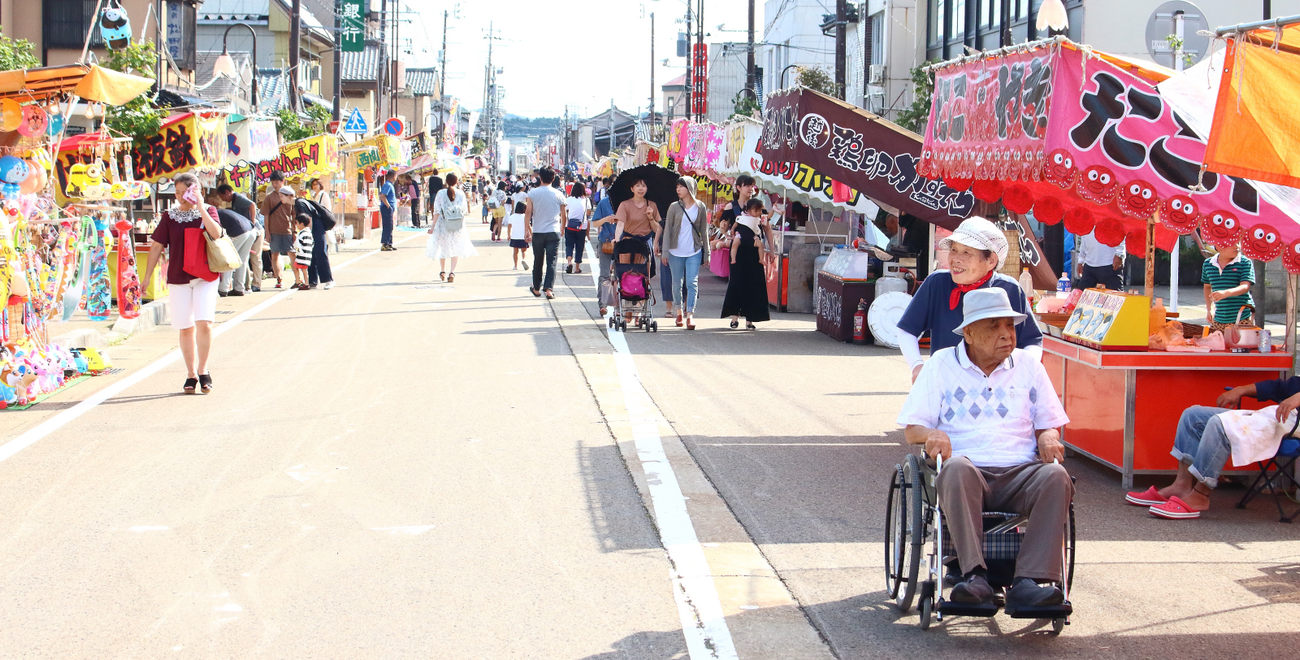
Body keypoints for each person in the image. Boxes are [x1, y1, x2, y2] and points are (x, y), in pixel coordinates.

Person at [898, 287, 1073, 612]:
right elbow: (912, 430)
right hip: (967, 470)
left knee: (1057, 477)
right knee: (954, 469)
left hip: (1021, 472)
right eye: (994, 327)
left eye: (1010, 325)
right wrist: (932, 433)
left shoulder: (1029, 366)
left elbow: (1048, 421)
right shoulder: (940, 365)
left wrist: (1048, 435)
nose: (1007, 335)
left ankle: (1029, 583)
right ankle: (974, 577)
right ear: (969, 332)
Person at [1126, 376, 1300, 519]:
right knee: (1193, 415)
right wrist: (1241, 389)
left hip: (1292, 426)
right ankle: (1181, 485)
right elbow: (1281, 387)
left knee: (1220, 424)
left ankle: (1201, 495)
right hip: (1275, 416)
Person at [896, 216, 1042, 383]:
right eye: (954, 250)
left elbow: (1032, 340)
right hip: (945, 383)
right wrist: (917, 366)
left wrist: (1025, 371)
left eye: (966, 252)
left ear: (991, 261)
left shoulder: (1009, 289)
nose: (956, 259)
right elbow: (907, 329)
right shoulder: (937, 283)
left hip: (997, 386)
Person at [141, 172, 224, 394]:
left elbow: (216, 234)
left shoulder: (209, 211)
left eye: (182, 192)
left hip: (204, 275)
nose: (178, 197)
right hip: (178, 276)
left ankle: (204, 369)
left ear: (194, 190)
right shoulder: (170, 216)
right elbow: (157, 246)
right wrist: (147, 276)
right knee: (185, 327)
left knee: (204, 322)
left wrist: (201, 207)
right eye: (176, 192)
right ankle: (190, 374)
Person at [659, 176, 709, 330]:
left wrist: (707, 253)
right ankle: (678, 311)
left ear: (690, 188)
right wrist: (665, 252)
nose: (678, 189)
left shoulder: (700, 206)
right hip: (675, 250)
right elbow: (667, 230)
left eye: (682, 186)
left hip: (694, 250)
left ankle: (690, 315)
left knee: (692, 282)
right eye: (677, 187)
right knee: (677, 283)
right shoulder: (674, 207)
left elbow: (704, 231)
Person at [720, 198, 773, 330]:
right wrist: (727, 232)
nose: (750, 189)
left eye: (752, 186)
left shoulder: (761, 211)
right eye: (747, 186)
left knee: (754, 285)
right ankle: (734, 316)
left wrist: (772, 249)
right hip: (739, 253)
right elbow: (724, 225)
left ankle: (751, 318)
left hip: (754, 252)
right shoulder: (731, 207)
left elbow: (767, 230)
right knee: (736, 283)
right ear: (739, 187)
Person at [525, 168, 567, 299]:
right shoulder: (558, 194)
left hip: (538, 231)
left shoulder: (533, 193)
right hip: (553, 231)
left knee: (538, 260)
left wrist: (527, 229)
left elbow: (528, 212)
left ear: (540, 178)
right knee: (552, 261)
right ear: (553, 178)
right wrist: (562, 228)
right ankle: (549, 289)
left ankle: (536, 288)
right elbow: (563, 214)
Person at [426, 172, 476, 282]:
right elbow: (464, 211)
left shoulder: (440, 193)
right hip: (456, 225)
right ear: (456, 181)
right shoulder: (461, 193)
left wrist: (432, 227)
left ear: (446, 181)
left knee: (443, 248)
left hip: (442, 224)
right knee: (455, 248)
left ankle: (442, 271)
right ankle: (452, 273)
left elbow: (437, 211)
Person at [1202, 242, 1255, 326]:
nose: (1237, 246)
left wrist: (1226, 293)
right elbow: (1207, 287)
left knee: (1240, 339)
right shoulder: (1208, 264)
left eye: (1238, 242)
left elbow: (1245, 286)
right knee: (1215, 339)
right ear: (1219, 246)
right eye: (1232, 243)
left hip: (1242, 317)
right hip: (1219, 317)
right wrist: (1209, 309)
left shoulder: (1245, 262)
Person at [258, 172, 295, 289]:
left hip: (288, 230)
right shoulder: (269, 198)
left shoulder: (290, 196)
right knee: (275, 255)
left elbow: (294, 214)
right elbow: (266, 216)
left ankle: (298, 278)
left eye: (276, 182)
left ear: (282, 181)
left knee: (292, 254)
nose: (274, 185)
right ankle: (279, 278)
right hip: (274, 230)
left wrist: (295, 231)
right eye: (272, 182)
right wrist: (267, 233)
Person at [591, 178, 618, 315]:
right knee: (605, 274)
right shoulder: (604, 203)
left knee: (620, 274)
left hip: (621, 242)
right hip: (606, 241)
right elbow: (595, 223)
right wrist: (606, 219)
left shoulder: (626, 204)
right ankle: (603, 304)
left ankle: (619, 305)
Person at [214, 204, 255, 298]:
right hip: (251, 230)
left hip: (239, 231)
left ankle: (223, 288)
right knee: (242, 260)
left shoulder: (212, 214)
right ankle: (239, 288)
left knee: (229, 259)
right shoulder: (222, 212)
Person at [564, 181, 591, 274]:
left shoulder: (568, 199)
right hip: (581, 227)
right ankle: (577, 268)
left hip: (570, 226)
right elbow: (588, 214)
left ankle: (569, 262)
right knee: (579, 246)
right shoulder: (586, 200)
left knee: (569, 245)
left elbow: (565, 212)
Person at [290, 213, 314, 290]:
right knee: (302, 269)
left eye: (296, 223)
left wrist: (297, 248)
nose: (296, 225)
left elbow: (297, 244)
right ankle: (302, 282)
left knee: (303, 269)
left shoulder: (302, 233)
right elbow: (312, 243)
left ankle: (306, 283)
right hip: (307, 254)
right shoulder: (309, 233)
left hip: (302, 255)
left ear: (301, 224)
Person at [505, 201, 529, 270]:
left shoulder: (512, 216)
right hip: (523, 236)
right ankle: (524, 259)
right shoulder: (525, 216)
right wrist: (531, 235)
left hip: (514, 237)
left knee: (515, 252)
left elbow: (509, 226)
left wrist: (509, 235)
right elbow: (529, 226)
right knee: (524, 251)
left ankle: (515, 266)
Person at [379, 169, 398, 251]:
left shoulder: (390, 185)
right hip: (386, 208)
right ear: (394, 176)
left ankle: (389, 243)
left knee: (390, 226)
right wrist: (388, 206)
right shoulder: (388, 185)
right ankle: (384, 244)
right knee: (387, 226)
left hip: (389, 208)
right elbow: (382, 196)